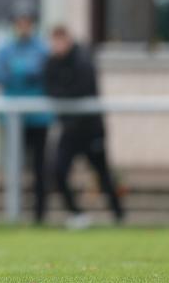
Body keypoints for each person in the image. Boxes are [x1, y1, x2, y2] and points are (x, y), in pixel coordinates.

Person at [43, 25, 124, 228]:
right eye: (54, 41)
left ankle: (119, 215)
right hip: (69, 130)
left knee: (103, 175)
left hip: (90, 129)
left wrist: (63, 94)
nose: (57, 46)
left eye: (60, 40)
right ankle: (76, 213)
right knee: (58, 172)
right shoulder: (51, 62)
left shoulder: (82, 60)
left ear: (68, 40)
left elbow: (82, 89)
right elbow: (49, 88)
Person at [0, 1, 51, 224]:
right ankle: (14, 213)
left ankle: (40, 214)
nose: (23, 26)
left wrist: (16, 70)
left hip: (37, 117)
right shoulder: (5, 47)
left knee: (40, 167)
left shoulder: (42, 47)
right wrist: (23, 71)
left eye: (27, 22)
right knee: (13, 166)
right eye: (19, 22)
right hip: (12, 119)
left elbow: (43, 71)